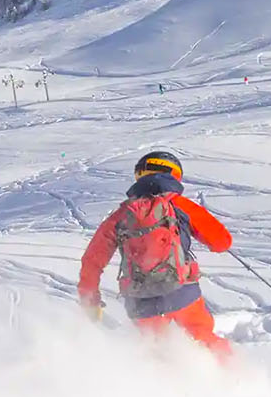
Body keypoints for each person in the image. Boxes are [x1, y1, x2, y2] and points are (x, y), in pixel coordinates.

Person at [79, 149, 234, 358]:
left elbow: (92, 260)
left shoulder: (122, 214)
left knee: (155, 350)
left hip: (139, 298)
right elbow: (222, 242)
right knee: (201, 336)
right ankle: (234, 378)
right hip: (181, 291)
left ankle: (165, 387)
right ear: (174, 175)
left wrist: (90, 300)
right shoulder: (180, 205)